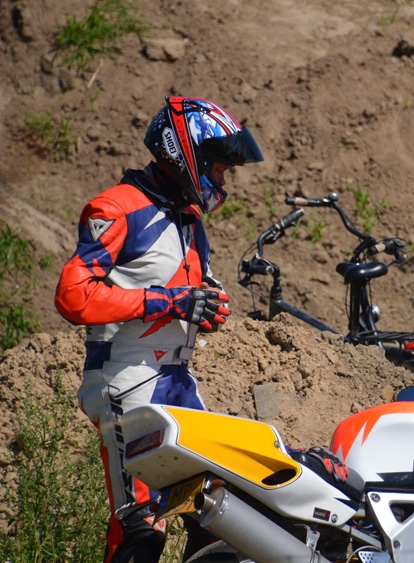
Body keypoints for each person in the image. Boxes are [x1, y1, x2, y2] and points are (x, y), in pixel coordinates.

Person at [54, 96, 264, 563]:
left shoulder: (188, 216)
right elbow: (72, 295)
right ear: (186, 153)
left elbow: (184, 292)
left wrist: (206, 307)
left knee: (221, 512)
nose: (223, 179)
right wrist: (168, 302)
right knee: (142, 527)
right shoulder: (116, 207)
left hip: (177, 380)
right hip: (126, 379)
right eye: (219, 167)